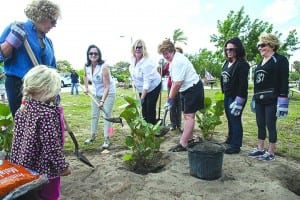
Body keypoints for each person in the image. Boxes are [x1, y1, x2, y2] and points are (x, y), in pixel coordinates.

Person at [10, 65, 71, 200]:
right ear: (48, 89)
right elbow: (51, 147)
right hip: (46, 171)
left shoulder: (21, 111)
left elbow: (17, 142)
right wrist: (62, 167)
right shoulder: (46, 114)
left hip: (26, 168)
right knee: (50, 197)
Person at [0, 0, 60, 117]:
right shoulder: (17, 28)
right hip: (20, 87)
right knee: (25, 127)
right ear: (41, 16)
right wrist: (11, 41)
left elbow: (53, 68)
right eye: (53, 21)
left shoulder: (48, 42)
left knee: (43, 127)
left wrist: (56, 90)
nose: (54, 25)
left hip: (43, 89)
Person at [248, 33, 289, 161]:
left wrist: (282, 101)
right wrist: (254, 98)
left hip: (273, 98)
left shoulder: (280, 60)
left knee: (270, 124)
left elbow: (283, 81)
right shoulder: (260, 63)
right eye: (258, 46)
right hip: (259, 98)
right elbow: (257, 83)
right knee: (260, 123)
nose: (260, 48)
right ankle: (260, 148)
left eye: (262, 45)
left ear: (271, 45)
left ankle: (271, 151)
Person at [158, 39, 204, 152]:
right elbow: (174, 82)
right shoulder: (173, 60)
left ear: (171, 50)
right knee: (188, 116)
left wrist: (169, 100)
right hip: (187, 89)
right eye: (163, 54)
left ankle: (183, 143)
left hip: (192, 88)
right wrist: (170, 99)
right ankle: (188, 139)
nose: (165, 56)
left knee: (189, 116)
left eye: (167, 53)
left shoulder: (178, 61)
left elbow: (177, 83)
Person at [220, 37, 250, 154]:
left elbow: (243, 84)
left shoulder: (242, 64)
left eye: (231, 49)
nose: (228, 51)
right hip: (227, 95)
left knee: (235, 119)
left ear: (238, 49)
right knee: (229, 119)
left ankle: (236, 145)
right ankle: (230, 139)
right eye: (227, 49)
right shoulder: (226, 63)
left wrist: (239, 100)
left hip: (237, 97)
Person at [83, 44, 116, 149]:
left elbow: (107, 86)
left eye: (95, 53)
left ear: (99, 55)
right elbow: (85, 75)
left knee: (107, 115)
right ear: (88, 55)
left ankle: (107, 138)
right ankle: (92, 136)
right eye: (91, 53)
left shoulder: (104, 67)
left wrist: (102, 101)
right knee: (94, 115)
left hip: (108, 93)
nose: (93, 55)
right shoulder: (87, 65)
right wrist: (87, 87)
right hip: (96, 93)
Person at [129, 39, 161, 125]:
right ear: (133, 49)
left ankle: (152, 129)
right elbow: (133, 77)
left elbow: (147, 83)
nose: (138, 49)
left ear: (144, 49)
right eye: (136, 47)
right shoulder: (132, 60)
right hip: (141, 88)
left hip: (153, 86)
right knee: (143, 109)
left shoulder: (147, 63)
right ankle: (145, 126)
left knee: (149, 108)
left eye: (140, 47)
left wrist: (142, 98)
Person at [161, 47, 183, 132]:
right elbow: (162, 73)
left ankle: (179, 124)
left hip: (180, 87)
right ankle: (173, 124)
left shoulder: (182, 63)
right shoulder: (169, 63)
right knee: (172, 106)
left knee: (179, 105)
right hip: (171, 86)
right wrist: (161, 66)